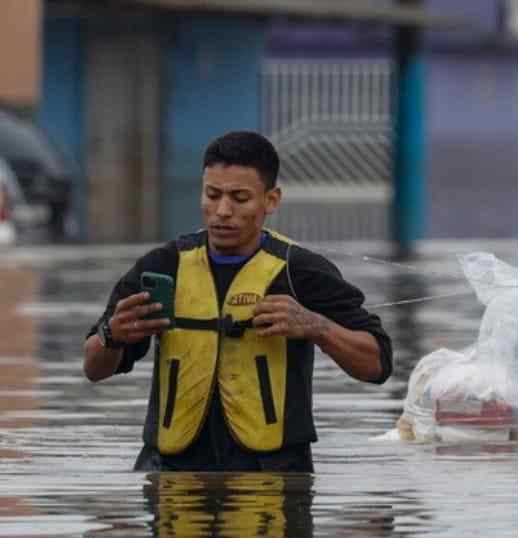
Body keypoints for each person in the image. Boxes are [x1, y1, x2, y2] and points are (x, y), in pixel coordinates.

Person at [83, 131, 393, 472]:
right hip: (170, 473)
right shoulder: (163, 266)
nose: (222, 211)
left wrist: (317, 327)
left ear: (271, 200)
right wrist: (111, 336)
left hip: (273, 475)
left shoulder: (299, 271)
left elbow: (376, 365)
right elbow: (93, 369)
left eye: (239, 198)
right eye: (212, 195)